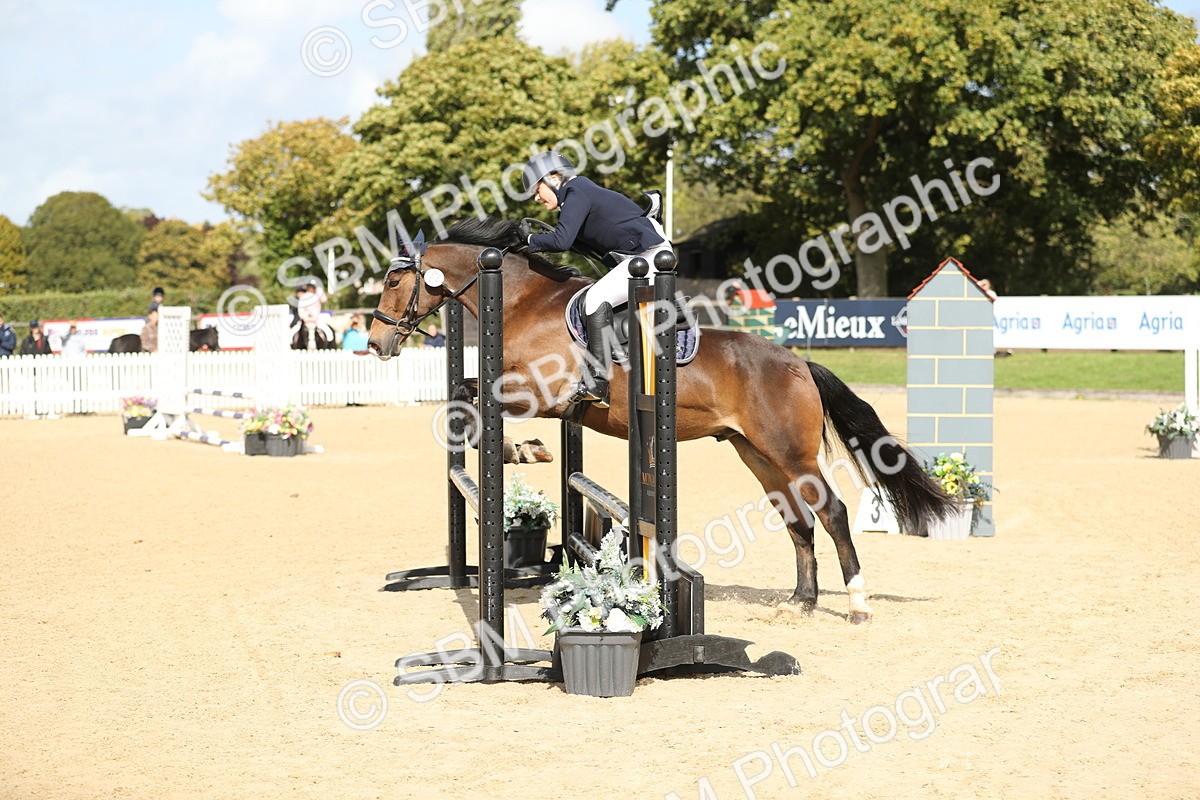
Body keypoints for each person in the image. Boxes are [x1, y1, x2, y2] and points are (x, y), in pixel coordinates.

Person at [519, 150, 672, 407]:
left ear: (554, 178)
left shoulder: (576, 191)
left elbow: (561, 240)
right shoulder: (576, 195)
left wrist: (530, 240)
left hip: (649, 258)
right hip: (642, 258)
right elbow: (572, 243)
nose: (536, 197)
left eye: (537, 189)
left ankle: (599, 381)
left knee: (595, 299)